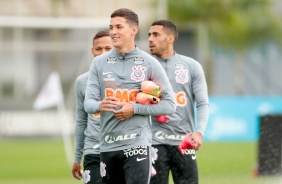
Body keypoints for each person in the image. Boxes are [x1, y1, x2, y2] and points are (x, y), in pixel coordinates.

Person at [84, 8, 176, 184]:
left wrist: (134, 108)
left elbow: (170, 105)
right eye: (111, 27)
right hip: (108, 145)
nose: (113, 32)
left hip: (137, 145)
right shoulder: (98, 63)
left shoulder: (149, 63)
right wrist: (100, 105)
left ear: (133, 30)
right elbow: (88, 104)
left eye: (119, 27)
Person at [148, 20, 209, 184]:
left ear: (170, 38)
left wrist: (199, 132)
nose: (150, 39)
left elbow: (202, 103)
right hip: (154, 141)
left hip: (184, 142)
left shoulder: (191, 66)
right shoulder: (145, 67)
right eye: (149, 35)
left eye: (156, 34)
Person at [72, 31, 113, 184]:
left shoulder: (127, 79)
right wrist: (77, 158)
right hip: (93, 152)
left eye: (108, 48)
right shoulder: (82, 82)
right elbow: (81, 121)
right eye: (98, 49)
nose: (102, 53)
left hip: (121, 150)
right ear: (92, 51)